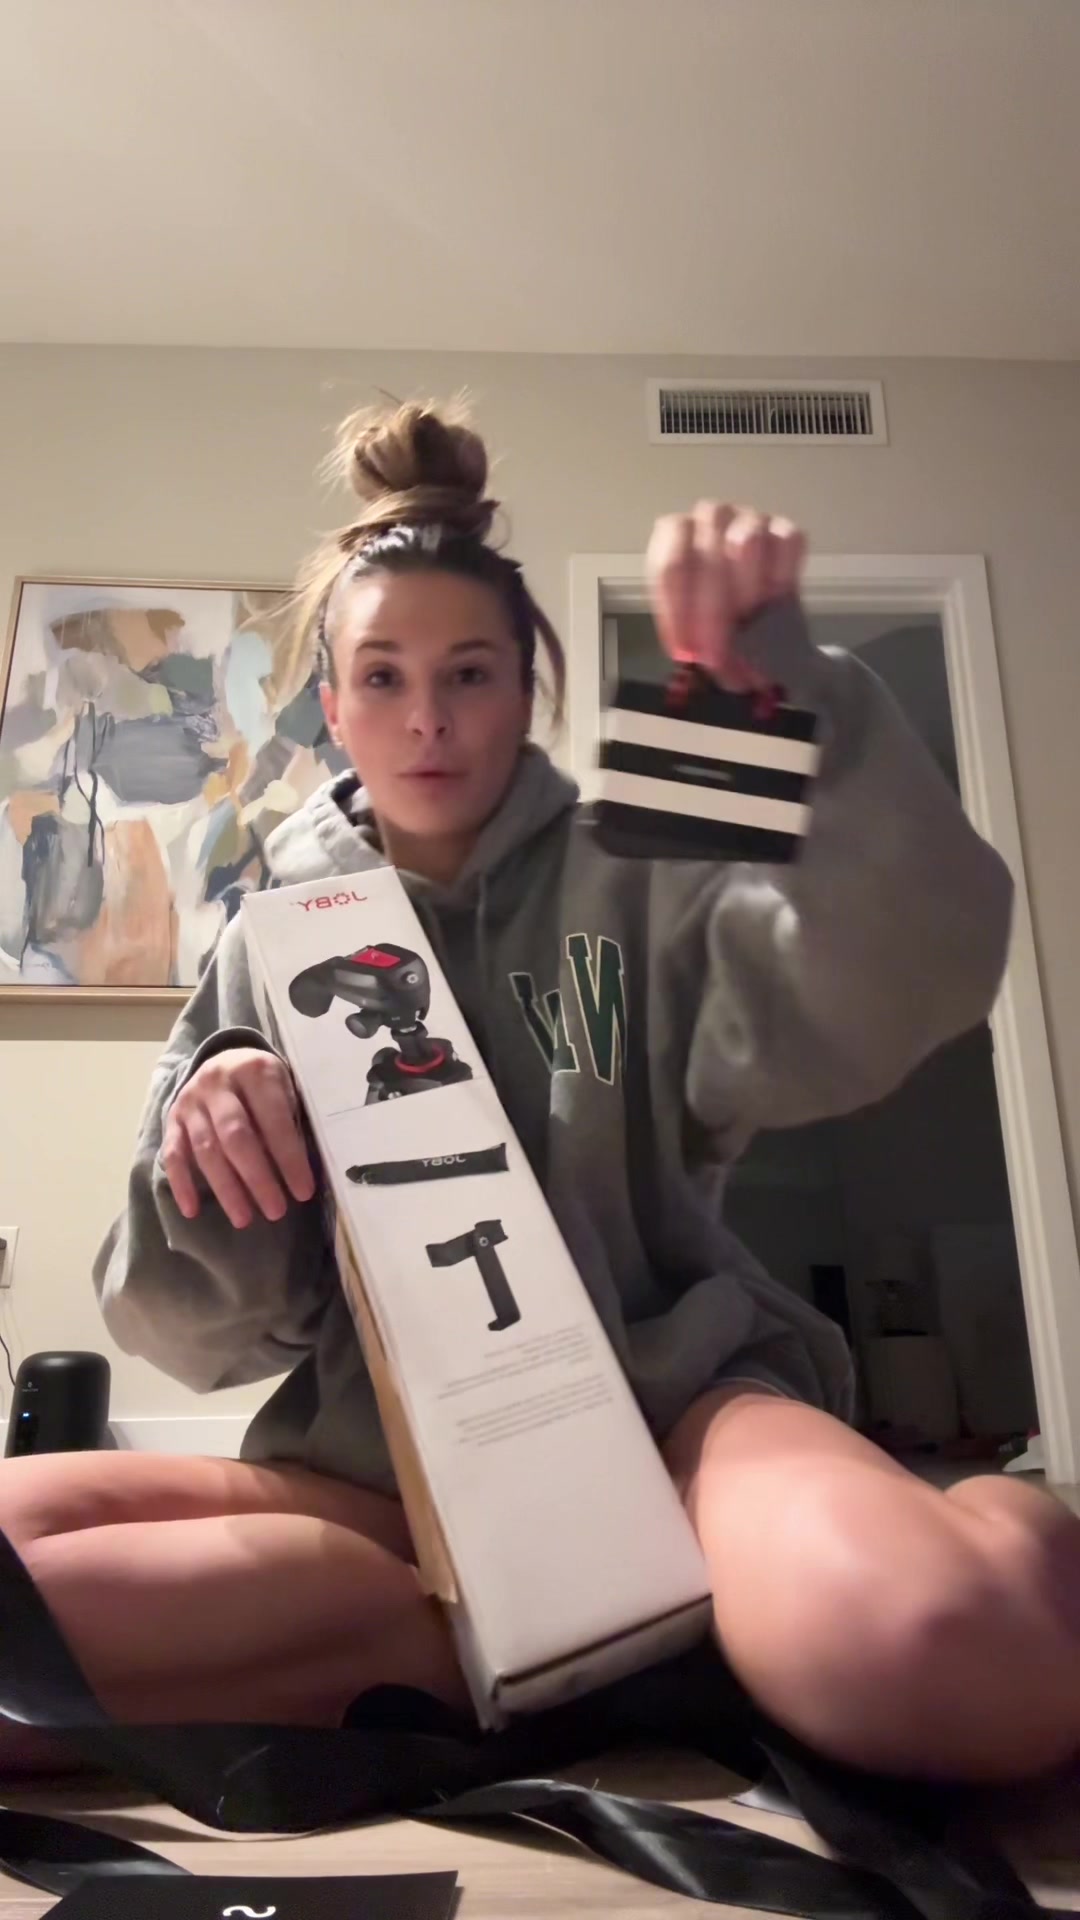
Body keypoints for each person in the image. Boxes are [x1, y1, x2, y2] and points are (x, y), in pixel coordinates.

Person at [3, 400, 1079, 1786]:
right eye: (382, 677)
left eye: (470, 673)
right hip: (386, 1473)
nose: (428, 718)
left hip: (672, 1412)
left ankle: (961, 1528)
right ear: (331, 701)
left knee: (952, 1653)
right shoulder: (270, 940)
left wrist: (797, 692)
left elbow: (885, 992)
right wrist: (212, 1133)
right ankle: (531, 1634)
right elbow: (189, 1336)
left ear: (529, 689)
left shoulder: (641, 856)